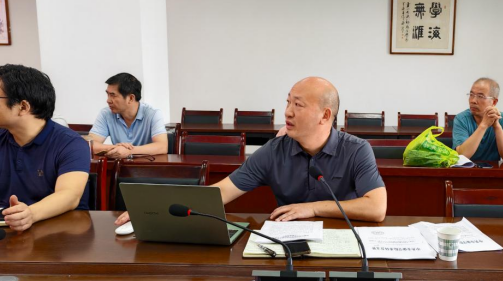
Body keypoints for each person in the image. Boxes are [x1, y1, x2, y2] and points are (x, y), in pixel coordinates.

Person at [116, 77, 387, 226]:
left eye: (298, 105)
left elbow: (376, 208)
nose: (287, 112)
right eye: (288, 102)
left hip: (344, 238)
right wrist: (155, 208)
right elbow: (220, 192)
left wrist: (313, 209)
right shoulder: (275, 151)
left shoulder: (356, 150)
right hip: (290, 243)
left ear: (325, 115)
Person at [0, 64, 90, 232]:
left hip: (60, 233)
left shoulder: (71, 143)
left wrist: (30, 213)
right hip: (8, 230)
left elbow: (69, 195)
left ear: (23, 107)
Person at [88, 73, 168, 159]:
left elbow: (162, 146)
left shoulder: (153, 114)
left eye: (113, 95)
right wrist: (115, 148)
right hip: (119, 165)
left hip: (147, 164)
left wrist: (129, 151)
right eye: (108, 94)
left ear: (131, 98)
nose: (108, 100)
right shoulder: (106, 114)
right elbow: (89, 144)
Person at [452, 78, 503, 162]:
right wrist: (484, 125)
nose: (473, 101)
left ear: (494, 102)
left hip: (493, 168)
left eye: (480, 96)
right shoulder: (461, 119)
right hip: (467, 168)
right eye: (471, 95)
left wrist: (497, 126)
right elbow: (462, 156)